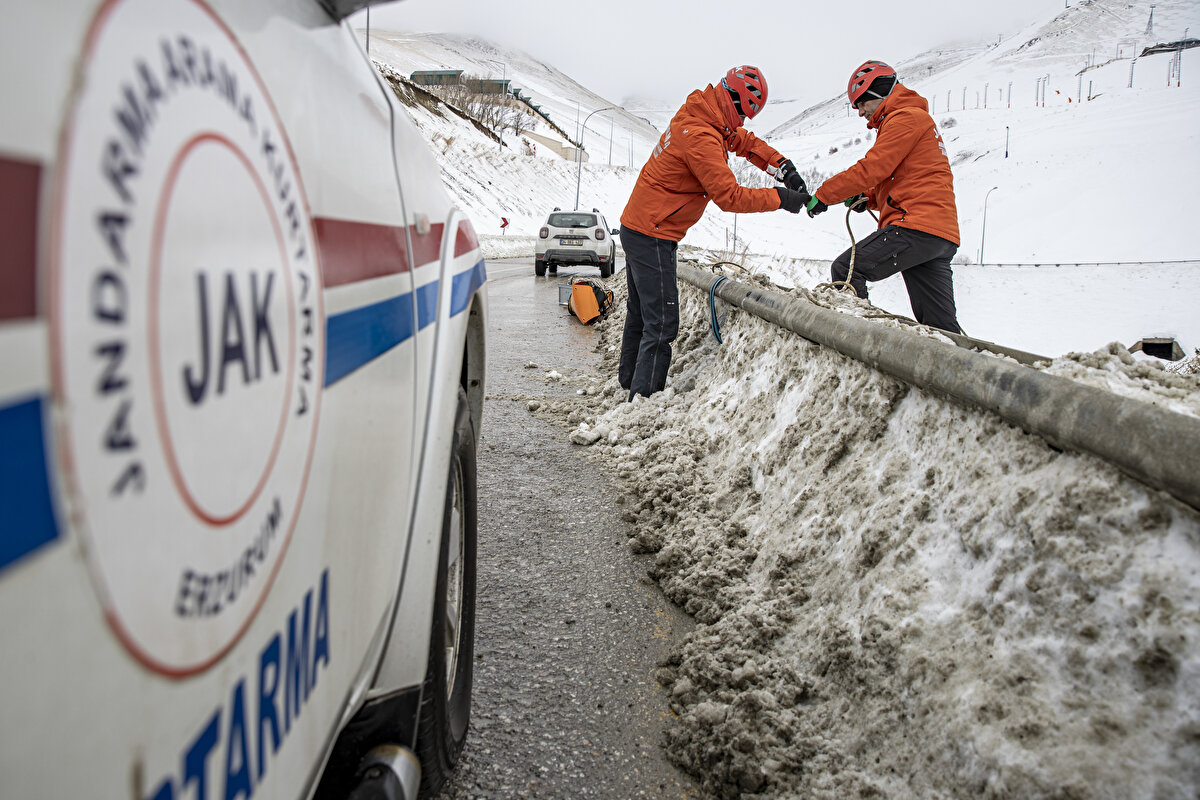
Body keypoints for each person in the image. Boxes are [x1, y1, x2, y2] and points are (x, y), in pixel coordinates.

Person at [618, 65, 810, 400]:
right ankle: (643, 399)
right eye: (744, 114)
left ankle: (628, 385)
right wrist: (782, 198)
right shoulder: (701, 136)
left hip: (640, 227)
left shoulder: (704, 114)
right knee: (662, 322)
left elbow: (744, 142)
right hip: (653, 234)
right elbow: (729, 196)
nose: (743, 122)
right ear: (734, 102)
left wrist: (783, 168)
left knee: (641, 314)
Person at [805, 61, 962, 334]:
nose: (860, 111)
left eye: (861, 103)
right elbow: (902, 181)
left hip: (915, 226)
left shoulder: (906, 118)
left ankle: (856, 341)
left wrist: (824, 195)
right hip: (938, 233)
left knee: (846, 270)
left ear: (878, 92)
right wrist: (868, 198)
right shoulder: (912, 119)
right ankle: (960, 359)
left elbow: (872, 169)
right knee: (940, 327)